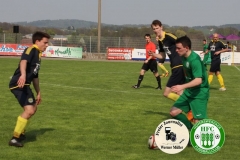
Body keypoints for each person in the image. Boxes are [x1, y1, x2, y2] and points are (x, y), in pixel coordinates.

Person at [8, 31, 50, 147]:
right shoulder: (31, 50)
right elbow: (23, 61)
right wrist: (22, 75)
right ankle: (15, 138)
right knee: (29, 110)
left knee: (33, 108)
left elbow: (35, 76)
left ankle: (20, 133)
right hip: (18, 84)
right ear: (37, 41)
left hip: (26, 85)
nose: (47, 45)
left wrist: (39, 93)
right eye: (45, 42)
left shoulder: (38, 55)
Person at [149, 20, 193, 122]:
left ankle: (186, 105)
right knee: (179, 91)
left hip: (179, 66)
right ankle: (190, 113)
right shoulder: (160, 41)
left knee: (166, 93)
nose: (155, 30)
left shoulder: (169, 36)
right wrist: (153, 54)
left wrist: (188, 59)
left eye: (157, 28)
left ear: (161, 27)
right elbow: (162, 56)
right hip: (175, 67)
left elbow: (182, 44)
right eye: (154, 29)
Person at [170, 36, 209, 130]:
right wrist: (183, 87)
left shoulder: (194, 60)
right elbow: (186, 73)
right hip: (189, 91)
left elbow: (198, 80)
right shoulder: (183, 57)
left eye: (179, 48)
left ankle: (195, 138)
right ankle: (190, 131)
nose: (176, 50)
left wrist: (182, 86)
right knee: (174, 112)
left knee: (197, 121)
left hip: (199, 92)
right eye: (176, 48)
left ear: (186, 48)